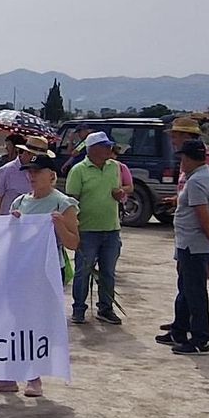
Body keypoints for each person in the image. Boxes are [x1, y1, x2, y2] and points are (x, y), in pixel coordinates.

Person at [0, 153, 79, 397]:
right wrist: (11, 224)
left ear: (51, 175)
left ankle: (34, 378)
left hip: (45, 273)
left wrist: (59, 225)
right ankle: (8, 376)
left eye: (37, 172)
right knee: (12, 323)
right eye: (29, 172)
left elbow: (74, 243)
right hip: (18, 271)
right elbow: (9, 240)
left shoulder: (63, 203)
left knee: (34, 323)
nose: (31, 176)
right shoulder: (20, 202)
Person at [155, 139, 209, 356]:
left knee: (195, 293)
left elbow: (204, 216)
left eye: (182, 159)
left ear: (188, 158)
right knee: (186, 290)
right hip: (193, 244)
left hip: (194, 245)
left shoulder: (196, 181)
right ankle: (179, 329)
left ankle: (199, 339)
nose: (181, 163)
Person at [65, 131, 124, 325]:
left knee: (108, 272)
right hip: (87, 230)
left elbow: (117, 190)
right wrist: (73, 226)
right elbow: (71, 201)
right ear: (93, 149)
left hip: (111, 228)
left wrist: (119, 195)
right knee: (83, 271)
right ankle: (79, 309)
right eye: (105, 146)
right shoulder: (79, 170)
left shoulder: (114, 167)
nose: (109, 150)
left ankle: (106, 309)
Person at [0, 134, 39, 216]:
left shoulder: (42, 172)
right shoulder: (6, 171)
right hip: (9, 220)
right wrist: (1, 219)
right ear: (27, 153)